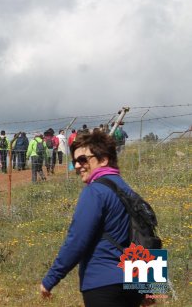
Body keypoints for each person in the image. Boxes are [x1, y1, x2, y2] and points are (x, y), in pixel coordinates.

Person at [40, 131, 145, 307]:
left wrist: (51, 279)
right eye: (75, 162)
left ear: (103, 159)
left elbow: (77, 239)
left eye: (83, 160)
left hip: (103, 284)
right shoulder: (129, 191)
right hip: (132, 284)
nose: (78, 166)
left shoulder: (95, 191)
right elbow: (145, 235)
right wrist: (147, 286)